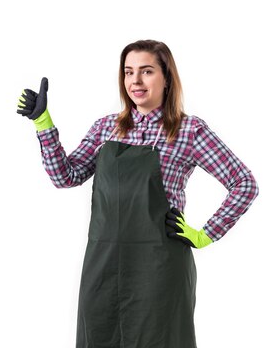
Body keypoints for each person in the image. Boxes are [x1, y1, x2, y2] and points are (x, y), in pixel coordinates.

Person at [16, 40, 259, 347]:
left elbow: (244, 184)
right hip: (103, 264)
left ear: (167, 77)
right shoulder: (106, 127)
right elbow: (66, 176)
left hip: (158, 264)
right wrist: (43, 123)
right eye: (129, 72)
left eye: (146, 71)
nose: (135, 81)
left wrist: (205, 234)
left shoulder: (189, 131)